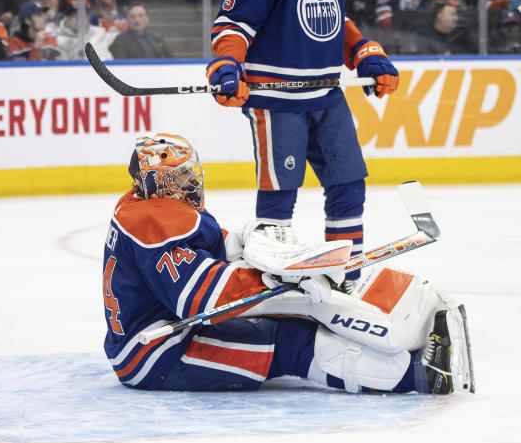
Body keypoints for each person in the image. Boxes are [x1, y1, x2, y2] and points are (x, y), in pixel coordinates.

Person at [103, 133, 474, 396]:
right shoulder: (153, 226)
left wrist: (250, 241)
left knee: (295, 315)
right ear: (161, 183)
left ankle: (400, 346)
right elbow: (203, 297)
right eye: (181, 176)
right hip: (159, 355)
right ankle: (420, 376)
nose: (192, 180)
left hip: (162, 333)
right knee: (292, 343)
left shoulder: (145, 207)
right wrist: (278, 283)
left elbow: (207, 248)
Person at [206, 0, 400, 288]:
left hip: (328, 96)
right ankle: (271, 279)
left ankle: (346, 275)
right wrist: (227, 64)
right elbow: (235, 25)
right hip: (277, 102)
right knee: (280, 196)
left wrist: (364, 51)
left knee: (348, 186)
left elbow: (335, 20)